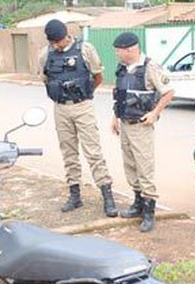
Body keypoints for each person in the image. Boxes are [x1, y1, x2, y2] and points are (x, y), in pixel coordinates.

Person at [37, 19, 117, 217]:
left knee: (93, 152)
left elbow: (98, 77)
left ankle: (107, 196)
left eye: (58, 41)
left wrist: (85, 94)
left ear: (66, 36)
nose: (55, 45)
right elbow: (46, 79)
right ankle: (75, 195)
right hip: (60, 108)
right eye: (52, 42)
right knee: (68, 153)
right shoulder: (45, 54)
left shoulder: (85, 49)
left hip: (82, 106)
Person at [111, 32, 174, 233]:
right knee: (130, 166)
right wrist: (115, 116)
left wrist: (154, 114)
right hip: (125, 123)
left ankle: (149, 212)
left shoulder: (150, 67)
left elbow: (169, 92)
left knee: (144, 167)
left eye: (118, 51)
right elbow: (119, 94)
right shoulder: (122, 68)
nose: (116, 54)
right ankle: (137, 203)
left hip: (141, 126)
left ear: (130, 49)